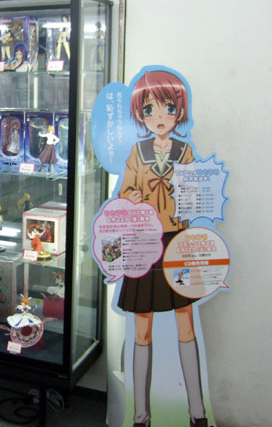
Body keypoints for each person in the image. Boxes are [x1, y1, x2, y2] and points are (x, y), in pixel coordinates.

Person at [117, 70, 206, 427]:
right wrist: (133, 197)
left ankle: (197, 411)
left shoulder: (185, 152)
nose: (159, 117)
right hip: (144, 241)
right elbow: (125, 191)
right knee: (142, 326)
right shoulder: (137, 152)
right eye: (149, 109)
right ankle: (140, 415)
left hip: (177, 242)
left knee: (186, 321)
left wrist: (187, 194)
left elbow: (197, 194)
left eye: (168, 108)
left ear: (179, 111)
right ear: (140, 114)